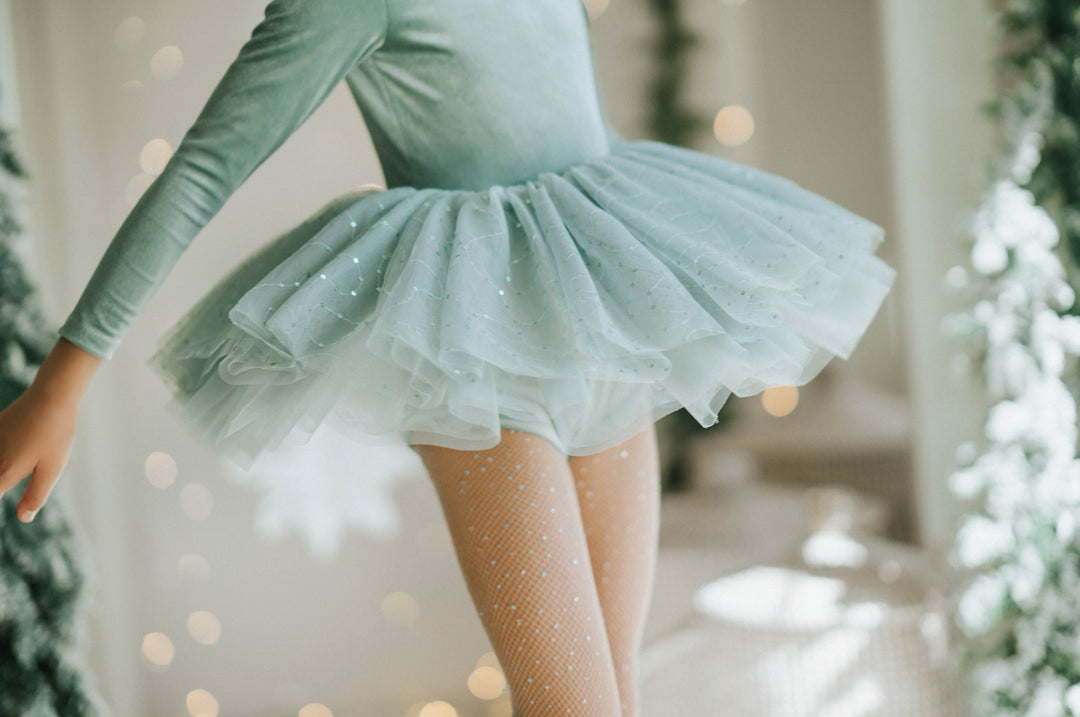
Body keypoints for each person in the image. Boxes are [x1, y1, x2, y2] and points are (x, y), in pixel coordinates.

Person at [0, 1, 897, 714]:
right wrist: (64, 377)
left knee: (616, 690)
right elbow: (201, 170)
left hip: (600, 315)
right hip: (475, 348)